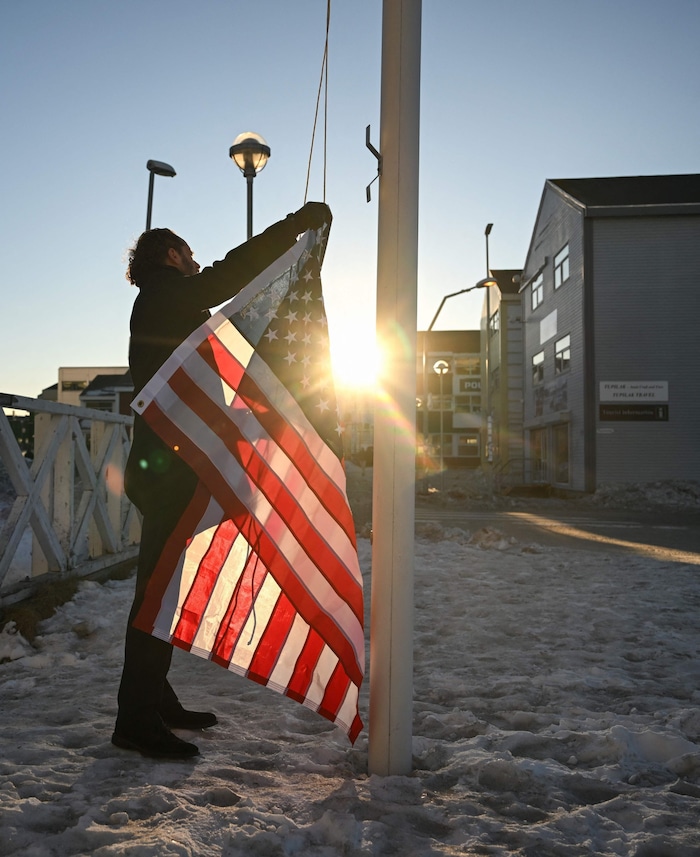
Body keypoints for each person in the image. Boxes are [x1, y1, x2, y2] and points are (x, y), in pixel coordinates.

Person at [113, 201, 331, 760]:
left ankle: (155, 701)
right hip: (169, 472)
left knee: (158, 593)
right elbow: (233, 272)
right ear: (170, 255)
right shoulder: (165, 295)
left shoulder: (160, 301)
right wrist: (293, 227)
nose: (195, 260)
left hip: (169, 466)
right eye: (188, 252)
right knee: (156, 595)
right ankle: (135, 720)